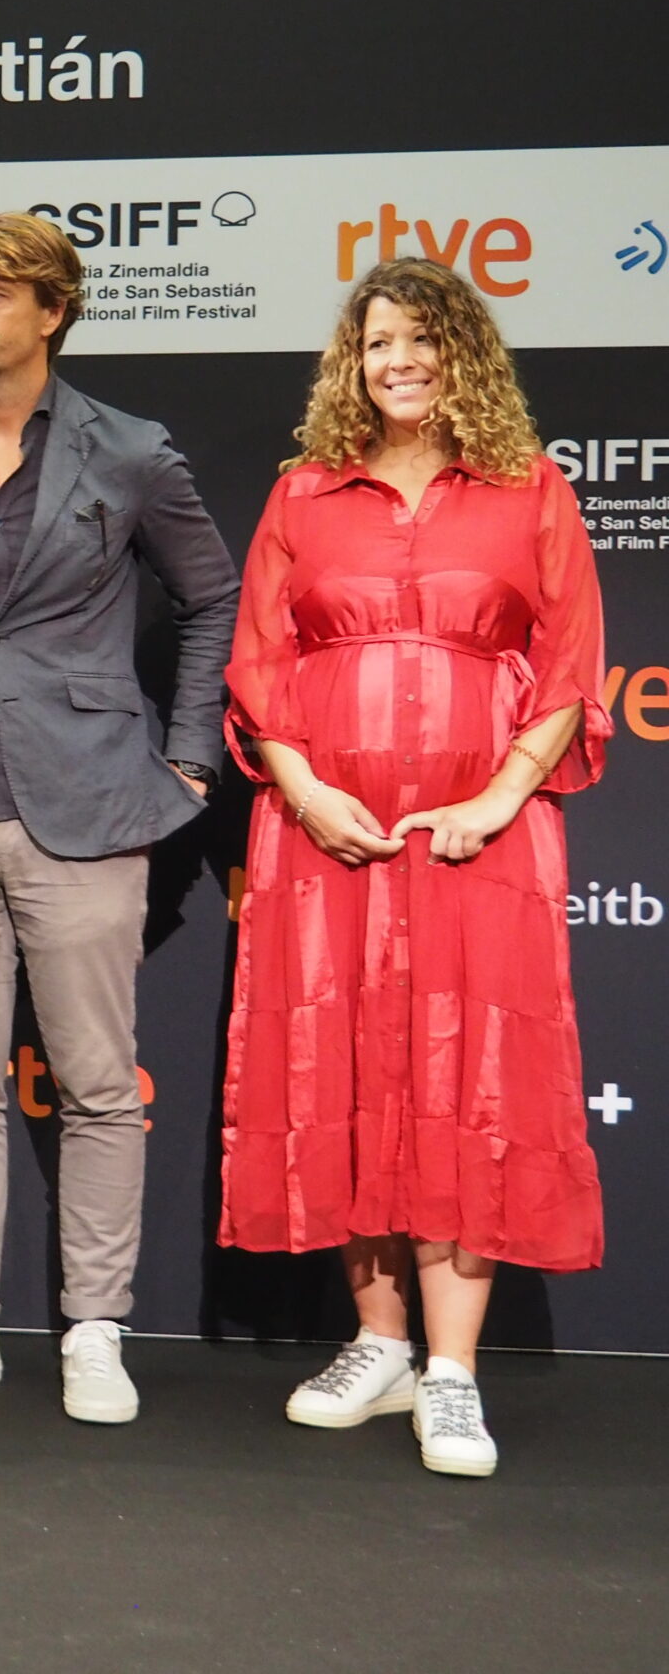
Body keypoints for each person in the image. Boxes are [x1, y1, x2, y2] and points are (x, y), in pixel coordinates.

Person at [220, 257, 608, 1478]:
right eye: (377, 341)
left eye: (421, 340)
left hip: (478, 836)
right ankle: (379, 1343)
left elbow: (569, 665)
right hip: (326, 832)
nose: (398, 361)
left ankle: (451, 1373)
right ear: (353, 359)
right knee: (349, 1061)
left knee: (468, 1075)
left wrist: (494, 797)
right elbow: (257, 663)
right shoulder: (302, 494)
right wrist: (303, 789)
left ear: (462, 355)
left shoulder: (528, 487)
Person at [0, 212, 238, 1423]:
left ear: (51, 312)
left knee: (96, 1083)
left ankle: (94, 1329)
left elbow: (212, 600)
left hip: (87, 799)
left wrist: (187, 758)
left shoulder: (127, 453)